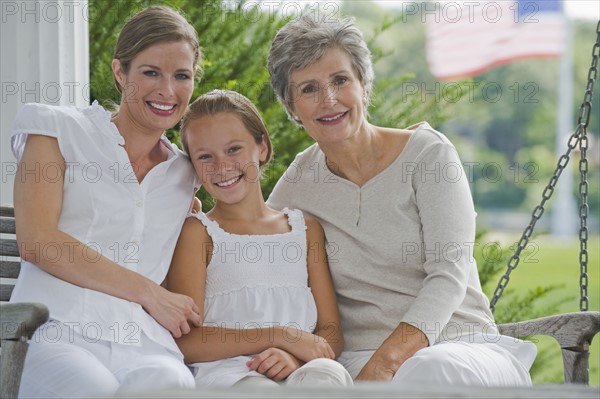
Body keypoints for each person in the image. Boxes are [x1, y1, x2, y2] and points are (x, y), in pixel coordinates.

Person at [266, 15, 538, 386]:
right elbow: (253, 248)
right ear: (292, 105)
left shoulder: (428, 156)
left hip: (459, 348)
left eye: (340, 80)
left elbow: (449, 273)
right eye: (309, 89)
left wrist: (384, 366)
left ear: (363, 85)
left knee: (429, 371)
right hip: (355, 361)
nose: (328, 99)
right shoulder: (297, 185)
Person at [11, 6, 203, 398]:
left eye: (181, 76)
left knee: (172, 385)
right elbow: (36, 240)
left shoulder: (186, 175)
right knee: (93, 390)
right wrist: (151, 293)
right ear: (120, 72)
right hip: (53, 328)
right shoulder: (54, 129)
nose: (167, 90)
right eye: (151, 72)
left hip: (145, 343)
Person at [166, 89, 353, 388]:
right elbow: (187, 341)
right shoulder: (197, 233)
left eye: (234, 149)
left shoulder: (305, 230)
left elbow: (331, 332)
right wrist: (278, 335)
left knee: (327, 378)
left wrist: (294, 358)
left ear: (262, 147)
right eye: (205, 156)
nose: (222, 166)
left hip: (301, 368)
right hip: (232, 375)